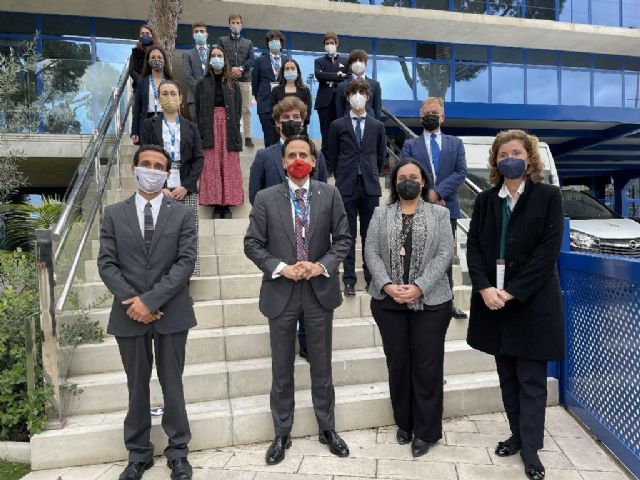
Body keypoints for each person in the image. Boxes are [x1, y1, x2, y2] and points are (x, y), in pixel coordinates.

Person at [244, 136, 352, 466]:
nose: (297, 160)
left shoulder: (330, 194)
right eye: (291, 155)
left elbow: (344, 240)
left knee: (322, 365)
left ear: (314, 160)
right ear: (283, 162)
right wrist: (281, 268)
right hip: (281, 291)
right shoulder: (265, 198)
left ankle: (327, 428)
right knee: (282, 368)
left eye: (303, 154)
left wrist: (321, 266)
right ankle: (282, 433)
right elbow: (252, 244)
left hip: (319, 291)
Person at [466, 129, 564, 480]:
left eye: (518, 151)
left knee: (531, 380)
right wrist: (484, 288)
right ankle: (517, 434)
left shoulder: (549, 196)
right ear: (495, 159)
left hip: (531, 303)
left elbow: (547, 253)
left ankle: (532, 448)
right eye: (504, 152)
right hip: (494, 304)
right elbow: (474, 247)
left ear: (529, 158)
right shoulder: (485, 200)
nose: (511, 157)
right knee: (507, 376)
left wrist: (512, 291)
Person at [98, 145, 196, 480]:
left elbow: (185, 263)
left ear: (167, 174)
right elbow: (107, 263)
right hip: (129, 314)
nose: (152, 170)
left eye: (159, 166)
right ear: (133, 169)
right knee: (136, 385)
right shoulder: (113, 214)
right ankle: (138, 453)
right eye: (146, 164)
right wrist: (133, 301)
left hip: (172, 312)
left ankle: (178, 451)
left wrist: (151, 301)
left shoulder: (182, 213)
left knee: (173, 383)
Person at [365, 158, 453, 458]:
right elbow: (371, 252)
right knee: (399, 364)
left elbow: (444, 255)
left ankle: (426, 431)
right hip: (388, 303)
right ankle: (404, 422)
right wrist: (389, 286)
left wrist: (418, 287)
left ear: (424, 181)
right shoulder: (380, 213)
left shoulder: (440, 214)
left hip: (431, 302)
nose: (408, 181)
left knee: (427, 367)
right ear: (394, 183)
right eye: (402, 177)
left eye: (413, 176)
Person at [248, 96, 328, 362]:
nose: (291, 122)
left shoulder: (315, 155)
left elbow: (324, 194)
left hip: (310, 237)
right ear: (277, 123)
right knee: (284, 295)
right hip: (278, 238)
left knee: (310, 293)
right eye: (286, 118)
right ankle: (284, 341)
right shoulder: (264, 156)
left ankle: (306, 342)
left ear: (304, 120)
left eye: (296, 117)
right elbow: (254, 194)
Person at [401, 97, 468, 320]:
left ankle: (446, 303)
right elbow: (405, 174)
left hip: (447, 207)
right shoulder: (410, 145)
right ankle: (418, 298)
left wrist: (437, 193)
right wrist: (425, 194)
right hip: (417, 208)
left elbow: (460, 172)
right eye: (426, 113)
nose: (430, 116)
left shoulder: (455, 143)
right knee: (417, 255)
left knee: (444, 258)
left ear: (442, 117)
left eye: (434, 112)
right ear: (421, 118)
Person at [327, 79, 386, 296]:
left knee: (370, 236)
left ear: (368, 97)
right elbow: (332, 154)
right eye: (354, 92)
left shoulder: (377, 126)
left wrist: (371, 172)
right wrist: (343, 173)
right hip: (346, 185)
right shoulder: (337, 125)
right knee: (347, 235)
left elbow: (380, 156)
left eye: (362, 92)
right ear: (347, 97)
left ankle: (371, 277)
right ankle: (349, 279)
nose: (358, 96)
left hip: (370, 186)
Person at [140, 80, 204, 276]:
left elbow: (198, 158)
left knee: (187, 236)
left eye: (173, 93)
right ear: (158, 99)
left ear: (181, 98)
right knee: (161, 237)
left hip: (185, 188)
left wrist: (186, 185)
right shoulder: (149, 125)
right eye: (165, 94)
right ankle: (162, 282)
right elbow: (146, 156)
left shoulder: (191, 127)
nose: (169, 97)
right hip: (158, 188)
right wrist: (161, 187)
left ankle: (186, 282)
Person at [195, 45, 243, 219]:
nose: (216, 58)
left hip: (229, 127)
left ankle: (227, 204)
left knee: (229, 163)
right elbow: (198, 110)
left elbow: (237, 110)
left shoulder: (233, 84)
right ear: (209, 60)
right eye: (213, 55)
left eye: (219, 55)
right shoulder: (202, 83)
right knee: (212, 163)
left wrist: (235, 129)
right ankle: (216, 204)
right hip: (209, 126)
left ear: (225, 59)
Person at [217, 14, 255, 148]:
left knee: (245, 109)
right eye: (233, 22)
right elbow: (220, 56)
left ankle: (248, 136)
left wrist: (241, 68)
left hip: (244, 80)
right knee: (230, 109)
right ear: (229, 25)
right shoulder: (222, 40)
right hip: (228, 80)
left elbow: (252, 59)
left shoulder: (248, 42)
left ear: (242, 25)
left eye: (238, 22)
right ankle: (232, 135)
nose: (235, 25)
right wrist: (230, 70)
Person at [314, 32, 349, 164]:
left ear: (337, 44)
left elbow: (348, 76)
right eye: (327, 43)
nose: (330, 45)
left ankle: (339, 162)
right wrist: (338, 75)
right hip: (324, 102)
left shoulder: (345, 61)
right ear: (324, 45)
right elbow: (319, 76)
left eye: (332, 43)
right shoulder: (318, 61)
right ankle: (327, 165)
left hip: (340, 101)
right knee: (326, 133)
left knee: (340, 132)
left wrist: (329, 76)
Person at [131, 46, 173, 145]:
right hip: (146, 122)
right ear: (148, 61)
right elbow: (137, 108)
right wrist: (134, 131)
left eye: (159, 57)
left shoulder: (170, 82)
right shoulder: (142, 82)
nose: (156, 60)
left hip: (165, 121)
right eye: (153, 58)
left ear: (164, 60)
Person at [252, 30, 288, 147]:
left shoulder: (287, 61)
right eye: (271, 40)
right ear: (267, 43)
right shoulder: (260, 61)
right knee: (269, 138)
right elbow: (255, 83)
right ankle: (269, 163)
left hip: (283, 105)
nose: (274, 42)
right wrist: (261, 98)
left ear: (281, 43)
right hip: (265, 105)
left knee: (283, 138)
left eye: (276, 40)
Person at [335, 50, 382, 120]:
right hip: (347, 124)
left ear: (365, 64)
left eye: (360, 61)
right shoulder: (342, 86)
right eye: (354, 61)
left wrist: (377, 126)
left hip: (369, 124)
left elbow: (377, 108)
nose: (358, 63)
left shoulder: (375, 85)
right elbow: (339, 110)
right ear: (350, 65)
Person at [269, 59, 312, 133]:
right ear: (283, 73)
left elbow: (308, 111)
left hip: (300, 130)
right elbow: (272, 111)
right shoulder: (276, 90)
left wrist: (301, 125)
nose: (290, 71)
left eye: (292, 68)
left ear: (297, 72)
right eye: (287, 69)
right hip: (280, 130)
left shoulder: (305, 90)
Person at [183, 22, 209, 121]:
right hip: (194, 97)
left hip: (211, 96)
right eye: (196, 31)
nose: (199, 33)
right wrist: (200, 90)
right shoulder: (188, 54)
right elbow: (188, 76)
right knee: (196, 125)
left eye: (202, 31)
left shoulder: (213, 53)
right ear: (193, 35)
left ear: (207, 34)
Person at [129, 24, 156, 92]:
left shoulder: (157, 51)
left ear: (152, 35)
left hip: (155, 88)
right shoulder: (135, 52)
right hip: (139, 88)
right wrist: (142, 82)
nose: (145, 36)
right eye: (142, 33)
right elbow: (131, 70)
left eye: (147, 33)